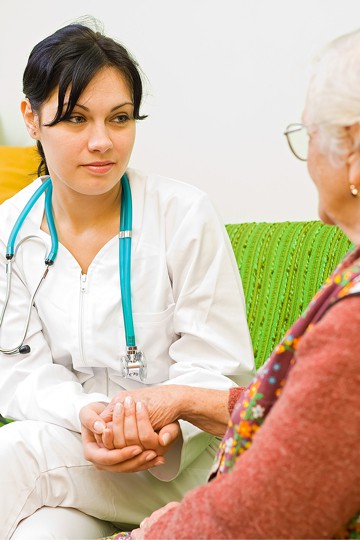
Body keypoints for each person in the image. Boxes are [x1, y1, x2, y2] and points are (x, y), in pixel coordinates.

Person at [91, 27, 360, 540]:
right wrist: (185, 399)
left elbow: (262, 519)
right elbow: (307, 413)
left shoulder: (353, 330)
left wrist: (150, 535)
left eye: (308, 136)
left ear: (351, 151)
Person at [0, 21, 255, 539]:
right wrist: (88, 415)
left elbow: (219, 366)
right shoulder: (9, 232)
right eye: (75, 119)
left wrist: (155, 429)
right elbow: (16, 370)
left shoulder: (183, 215)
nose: (102, 142)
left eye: (119, 119)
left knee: (19, 451)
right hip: (76, 461)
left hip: (182, 470)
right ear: (32, 119)